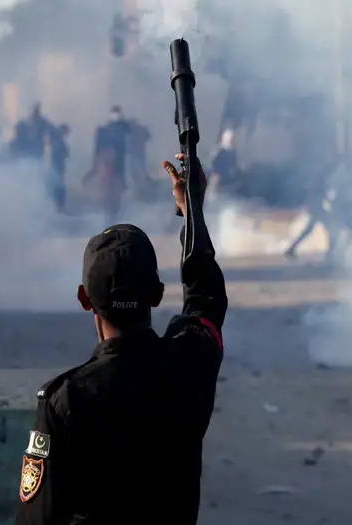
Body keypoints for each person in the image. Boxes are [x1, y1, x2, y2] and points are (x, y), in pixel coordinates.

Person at [15, 154, 227, 525]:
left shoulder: (66, 400)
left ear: (84, 299)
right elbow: (206, 298)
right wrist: (191, 210)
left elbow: (37, 520)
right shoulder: (191, 362)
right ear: (157, 294)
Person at [85, 106, 132, 223]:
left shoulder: (122, 127)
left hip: (118, 163)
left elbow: (128, 130)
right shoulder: (106, 130)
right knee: (109, 188)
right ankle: (109, 213)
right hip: (107, 164)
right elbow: (97, 151)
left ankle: (113, 213)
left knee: (118, 185)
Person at [48, 124, 71, 212]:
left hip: (57, 167)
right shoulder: (58, 140)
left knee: (57, 187)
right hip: (57, 167)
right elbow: (65, 153)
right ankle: (59, 206)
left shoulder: (56, 140)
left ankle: (58, 206)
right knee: (58, 187)